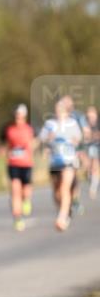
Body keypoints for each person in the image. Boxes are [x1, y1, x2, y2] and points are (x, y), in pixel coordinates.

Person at [39, 99, 84, 231]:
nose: (59, 112)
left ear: (66, 111)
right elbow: (42, 138)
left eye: (61, 109)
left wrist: (74, 141)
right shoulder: (50, 124)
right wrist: (48, 139)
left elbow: (79, 138)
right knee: (57, 192)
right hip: (54, 162)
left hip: (68, 161)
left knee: (65, 188)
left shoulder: (72, 123)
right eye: (57, 109)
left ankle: (62, 217)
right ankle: (65, 210)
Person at [1, 104, 36, 231]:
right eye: (16, 116)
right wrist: (5, 151)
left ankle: (26, 200)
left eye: (20, 116)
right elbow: (4, 144)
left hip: (26, 164)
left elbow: (35, 143)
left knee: (25, 191)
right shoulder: (8, 129)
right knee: (15, 190)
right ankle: (17, 218)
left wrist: (30, 149)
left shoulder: (29, 129)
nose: (18, 118)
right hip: (13, 163)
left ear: (24, 117)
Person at [86, 105, 99, 200]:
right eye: (89, 114)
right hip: (88, 147)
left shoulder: (98, 124)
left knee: (95, 164)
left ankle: (93, 188)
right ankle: (92, 180)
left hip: (96, 146)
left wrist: (93, 135)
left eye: (92, 113)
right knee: (89, 168)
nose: (91, 116)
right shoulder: (85, 124)